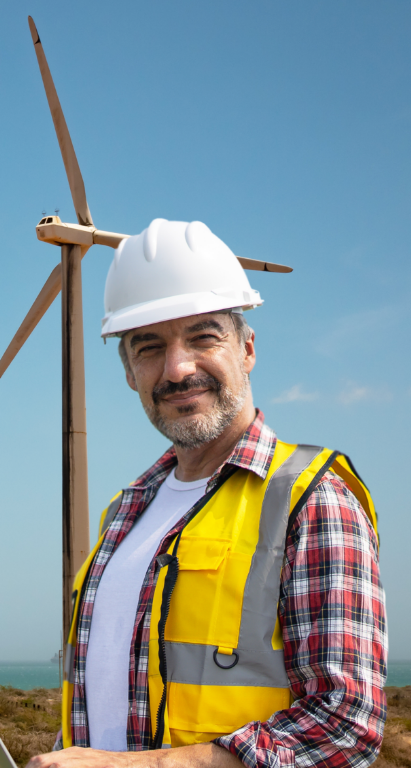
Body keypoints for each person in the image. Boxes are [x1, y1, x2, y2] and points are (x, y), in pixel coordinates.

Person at [27, 219, 386, 768]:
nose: (178, 368)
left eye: (203, 336)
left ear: (246, 349)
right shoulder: (125, 514)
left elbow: (344, 728)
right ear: (128, 372)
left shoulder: (311, 501)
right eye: (148, 346)